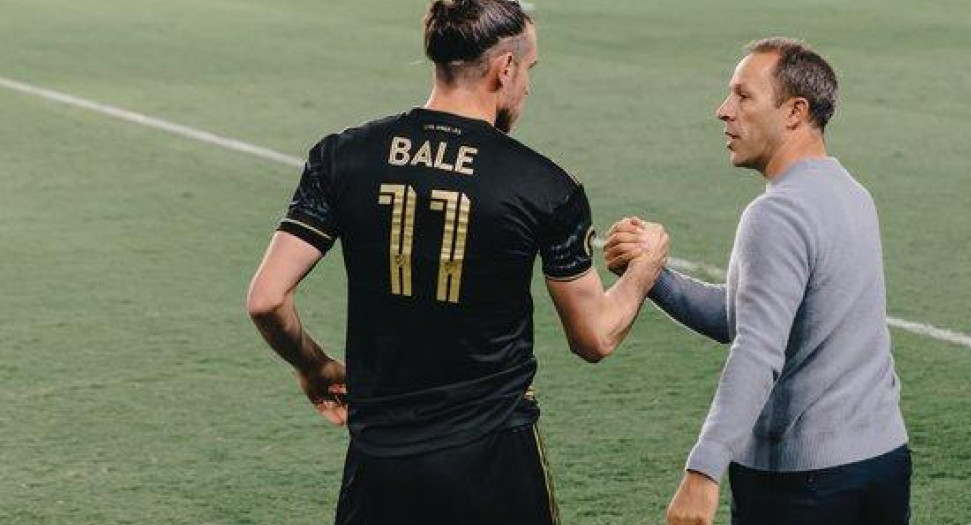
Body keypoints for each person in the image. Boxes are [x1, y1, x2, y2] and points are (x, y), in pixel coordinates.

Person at [246, 1, 668, 524]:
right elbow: (594, 336)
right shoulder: (543, 186)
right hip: (495, 458)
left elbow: (266, 299)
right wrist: (646, 266)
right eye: (529, 70)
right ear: (505, 68)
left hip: (381, 460)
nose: (528, 87)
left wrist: (313, 365)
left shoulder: (342, 155)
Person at [605, 38, 910, 525]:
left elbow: (757, 347)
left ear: (794, 112)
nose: (723, 111)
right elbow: (745, 314)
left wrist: (703, 470)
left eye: (743, 96)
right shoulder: (853, 194)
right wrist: (651, 276)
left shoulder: (777, 213)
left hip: (804, 484)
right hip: (883, 462)